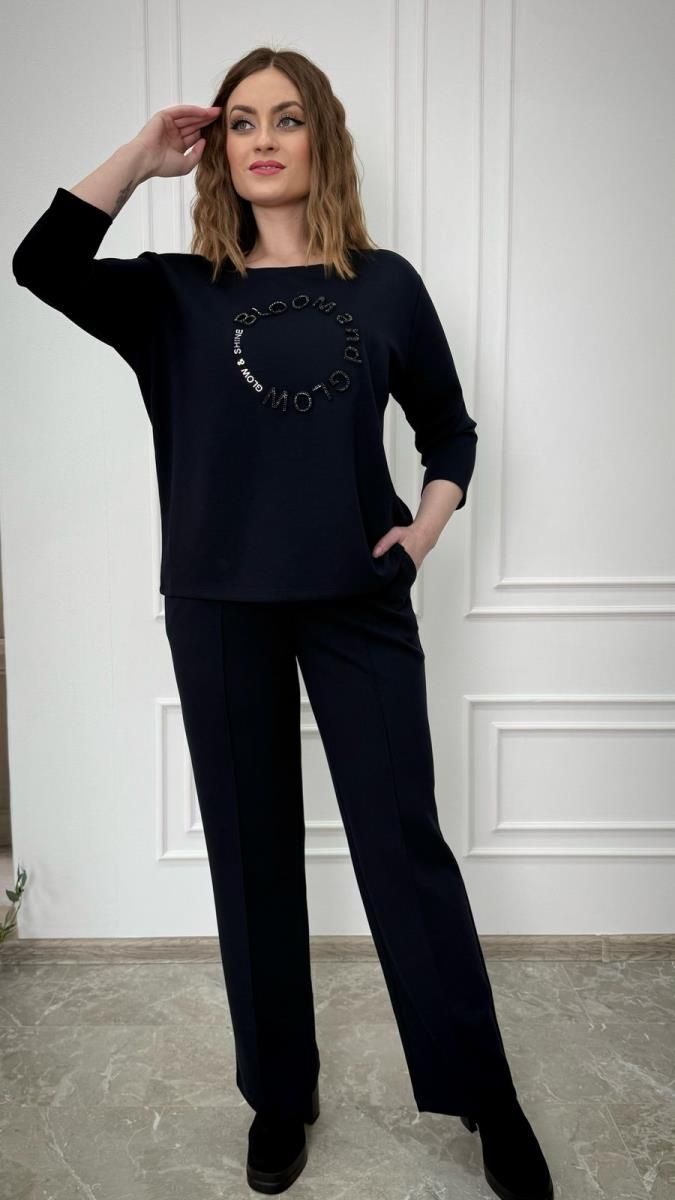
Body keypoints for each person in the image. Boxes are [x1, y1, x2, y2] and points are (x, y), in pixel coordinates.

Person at [12, 44, 554, 1200]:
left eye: (289, 118)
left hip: (359, 601)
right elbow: (41, 262)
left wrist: (424, 530)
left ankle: (486, 1096)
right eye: (244, 121)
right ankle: (279, 1093)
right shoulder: (174, 295)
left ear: (323, 141)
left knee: (402, 847)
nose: (264, 139)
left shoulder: (385, 285)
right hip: (218, 606)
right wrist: (142, 156)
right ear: (220, 148)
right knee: (251, 856)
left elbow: (450, 431)